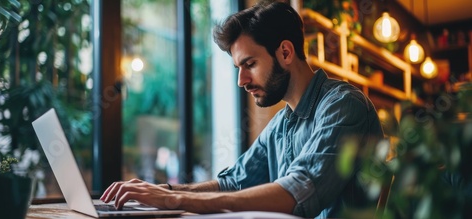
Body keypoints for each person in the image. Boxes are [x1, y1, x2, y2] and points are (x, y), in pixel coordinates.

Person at [100, 1, 384, 218]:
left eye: (249, 65)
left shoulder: (344, 105)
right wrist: (164, 190)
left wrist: (175, 201)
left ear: (285, 53)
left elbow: (298, 191)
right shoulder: (282, 124)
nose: (241, 81)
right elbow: (233, 182)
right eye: (239, 68)